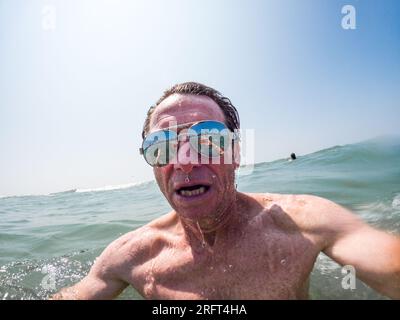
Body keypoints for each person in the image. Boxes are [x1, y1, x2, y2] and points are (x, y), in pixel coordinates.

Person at [51, 82, 400, 299]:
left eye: (208, 140)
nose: (185, 162)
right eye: (162, 146)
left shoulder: (305, 224)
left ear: (235, 153)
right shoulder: (131, 257)